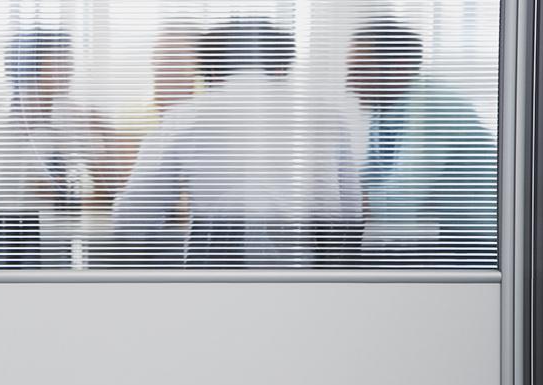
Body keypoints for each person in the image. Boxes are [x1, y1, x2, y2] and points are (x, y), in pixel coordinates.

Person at [114, 19, 363, 264]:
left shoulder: (185, 118)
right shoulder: (326, 116)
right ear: (281, 69)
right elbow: (351, 215)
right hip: (305, 276)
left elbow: (133, 219)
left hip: (216, 277)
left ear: (211, 70)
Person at [346, 19, 497, 264]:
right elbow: (373, 174)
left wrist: (343, 200)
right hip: (438, 231)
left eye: (360, 70)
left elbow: (404, 195)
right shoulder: (385, 107)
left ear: (398, 68)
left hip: (473, 243)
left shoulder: (433, 107)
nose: (350, 83)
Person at [0, 26, 120, 267]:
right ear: (31, 67)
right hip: (3, 243)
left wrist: (104, 130)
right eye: (59, 60)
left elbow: (108, 181)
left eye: (68, 60)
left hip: (56, 245)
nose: (69, 69)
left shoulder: (69, 116)